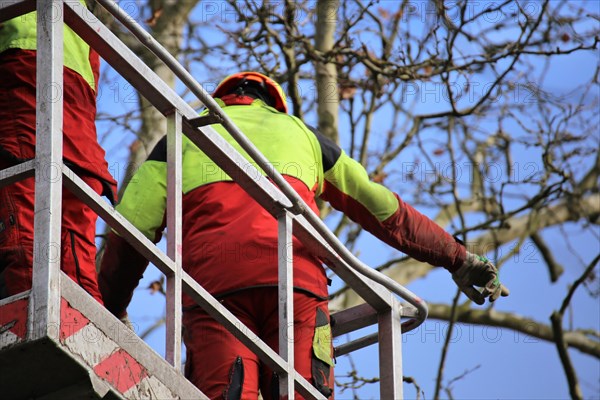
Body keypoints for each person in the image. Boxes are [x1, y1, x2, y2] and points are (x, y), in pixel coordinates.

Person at [98, 72, 509, 399]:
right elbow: (387, 212)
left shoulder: (181, 137)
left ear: (223, 99)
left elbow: (128, 232)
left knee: (225, 390)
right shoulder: (305, 136)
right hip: (296, 287)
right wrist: (460, 258)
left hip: (213, 291)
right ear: (273, 101)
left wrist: (109, 309)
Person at [0, 1, 116, 303]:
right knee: (75, 236)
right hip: (77, 124)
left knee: (26, 214)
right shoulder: (83, 15)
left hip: (24, 80)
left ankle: (30, 310)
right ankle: (85, 322)